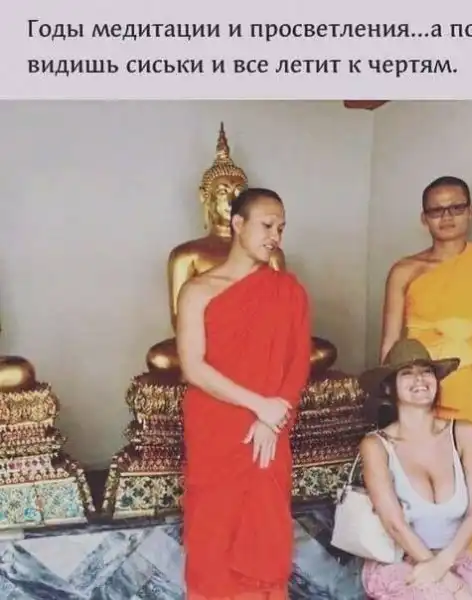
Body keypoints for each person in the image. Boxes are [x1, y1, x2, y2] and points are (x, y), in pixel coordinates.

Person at [377, 176, 472, 557]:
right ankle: (416, 564)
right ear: (424, 218)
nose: (446, 217)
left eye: (455, 208)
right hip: (416, 386)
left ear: (470, 212)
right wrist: (389, 402)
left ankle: (463, 569)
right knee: (411, 478)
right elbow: (390, 344)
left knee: (468, 483)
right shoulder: (405, 270)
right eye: (436, 210)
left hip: (470, 386)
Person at [177, 187, 312, 600]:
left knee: (264, 524)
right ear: (237, 223)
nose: (276, 236)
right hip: (217, 422)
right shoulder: (197, 289)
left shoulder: (288, 290)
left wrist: (273, 419)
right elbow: (193, 366)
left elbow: (298, 362)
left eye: (281, 228)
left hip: (270, 426)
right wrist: (259, 406)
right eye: (267, 225)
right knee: (213, 524)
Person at [358, 338, 472, 600]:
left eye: (426, 371)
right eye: (407, 373)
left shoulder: (464, 433)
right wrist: (450, 584)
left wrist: (444, 564)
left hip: (453, 558)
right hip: (402, 563)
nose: (420, 379)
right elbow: (395, 524)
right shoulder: (376, 445)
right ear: (389, 387)